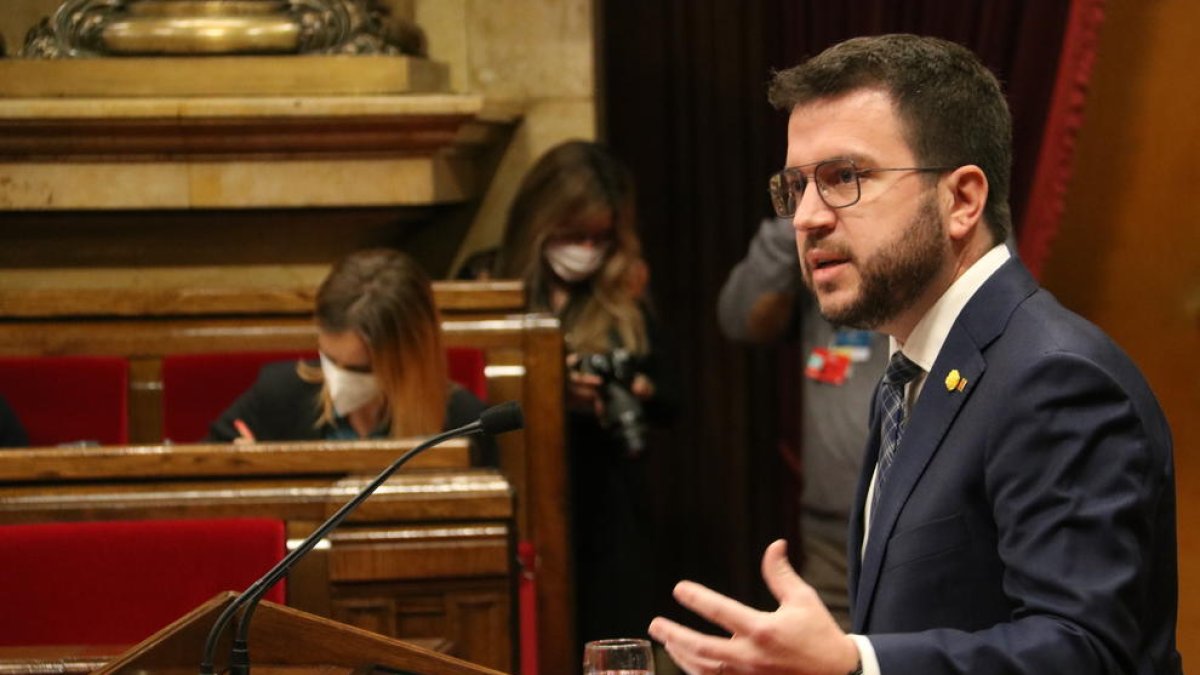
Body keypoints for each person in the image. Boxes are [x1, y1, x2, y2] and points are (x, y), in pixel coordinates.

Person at [650, 33, 1179, 675]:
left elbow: (1088, 653)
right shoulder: (912, 369)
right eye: (797, 187)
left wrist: (856, 664)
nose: (806, 218)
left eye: (844, 178)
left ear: (961, 200)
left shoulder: (1054, 377)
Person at [495, 139, 675, 644]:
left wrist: (633, 387)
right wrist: (548, 388)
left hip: (607, 508)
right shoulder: (487, 280)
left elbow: (672, 398)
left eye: (600, 238)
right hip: (524, 498)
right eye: (575, 235)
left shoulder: (624, 288)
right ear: (541, 221)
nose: (587, 252)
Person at [717, 215, 887, 630]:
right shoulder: (820, 255)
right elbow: (738, 319)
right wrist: (795, 225)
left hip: (923, 530)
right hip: (830, 535)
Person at [207, 248, 495, 466]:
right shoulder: (277, 394)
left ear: (408, 359)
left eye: (358, 369)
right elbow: (202, 471)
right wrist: (238, 467)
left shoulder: (465, 423)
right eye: (329, 359)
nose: (338, 378)